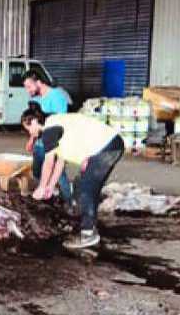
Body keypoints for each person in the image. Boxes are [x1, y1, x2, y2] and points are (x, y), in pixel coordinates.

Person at [22, 107, 125, 250]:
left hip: (107, 146)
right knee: (84, 187)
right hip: (108, 145)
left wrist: (41, 187)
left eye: (28, 128)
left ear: (33, 121)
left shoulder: (49, 131)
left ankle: (88, 234)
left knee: (85, 189)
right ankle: (90, 227)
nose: (30, 133)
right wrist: (50, 186)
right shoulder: (56, 125)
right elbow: (60, 162)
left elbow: (49, 162)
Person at [23, 69, 73, 206]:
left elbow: (60, 124)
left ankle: (68, 203)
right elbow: (33, 123)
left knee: (59, 174)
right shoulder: (35, 99)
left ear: (38, 82)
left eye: (29, 86)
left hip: (54, 142)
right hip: (40, 143)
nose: (28, 90)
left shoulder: (57, 96)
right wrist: (32, 140)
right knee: (37, 172)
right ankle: (47, 195)